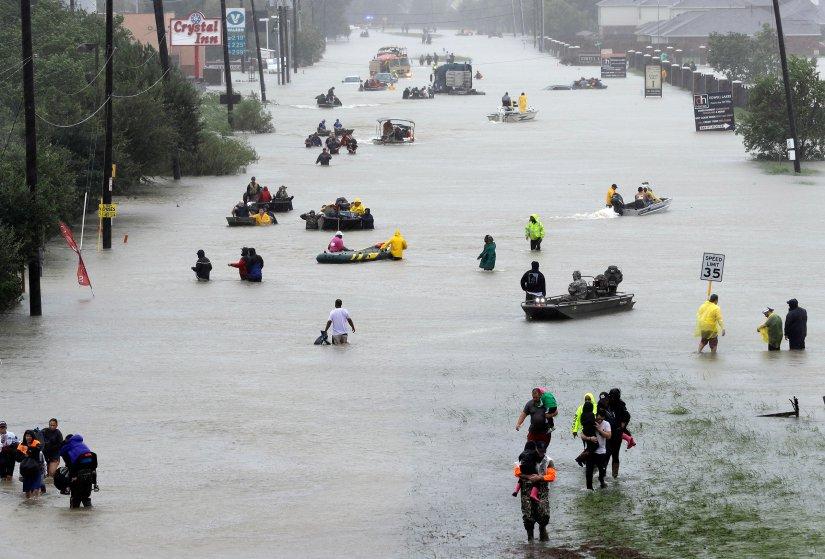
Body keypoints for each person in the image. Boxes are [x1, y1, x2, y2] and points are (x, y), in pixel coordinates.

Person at [514, 441, 555, 542]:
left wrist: (540, 478)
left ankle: (542, 529)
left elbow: (552, 476)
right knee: (528, 516)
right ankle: (530, 539)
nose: (541, 453)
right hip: (526, 489)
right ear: (535, 449)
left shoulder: (548, 461)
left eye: (543, 451)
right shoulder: (525, 457)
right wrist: (528, 477)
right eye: (539, 450)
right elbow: (517, 472)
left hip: (542, 489)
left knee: (544, 514)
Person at [60, 434, 98, 508]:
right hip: (90, 473)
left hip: (77, 474)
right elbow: (94, 465)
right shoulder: (83, 445)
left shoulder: (68, 447)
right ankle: (95, 486)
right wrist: (94, 481)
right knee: (86, 496)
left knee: (75, 498)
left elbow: (68, 463)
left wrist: (73, 477)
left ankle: (74, 515)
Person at [581, 408, 611, 490]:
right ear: (596, 416)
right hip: (591, 451)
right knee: (589, 471)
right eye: (598, 418)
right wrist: (590, 438)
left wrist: (599, 429)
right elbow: (582, 435)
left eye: (602, 419)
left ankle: (601, 481)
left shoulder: (606, 424)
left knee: (602, 470)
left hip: (601, 451)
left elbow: (608, 436)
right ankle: (589, 488)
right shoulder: (591, 423)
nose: (600, 420)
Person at [605, 388, 632, 478]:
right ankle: (603, 474)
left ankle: (615, 475)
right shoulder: (606, 404)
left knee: (615, 455)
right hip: (607, 433)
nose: (612, 399)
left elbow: (627, 416)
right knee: (607, 453)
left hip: (617, 433)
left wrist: (622, 426)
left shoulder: (621, 406)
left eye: (613, 397)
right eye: (611, 396)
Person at [16, 430, 45, 500]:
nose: (28, 437)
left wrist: (28, 451)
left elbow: (38, 450)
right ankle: (28, 503)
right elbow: (17, 458)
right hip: (25, 469)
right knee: (27, 491)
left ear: (32, 437)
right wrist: (25, 455)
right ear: (24, 437)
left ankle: (36, 503)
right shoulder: (21, 445)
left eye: (30, 436)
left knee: (36, 489)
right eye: (27, 436)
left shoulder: (37, 443)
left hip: (36, 469)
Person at [574, 400, 598, 467]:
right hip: (590, 432)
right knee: (595, 446)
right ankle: (580, 458)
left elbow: (583, 423)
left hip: (585, 431)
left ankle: (584, 459)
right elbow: (593, 423)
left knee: (589, 447)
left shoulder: (582, 415)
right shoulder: (591, 414)